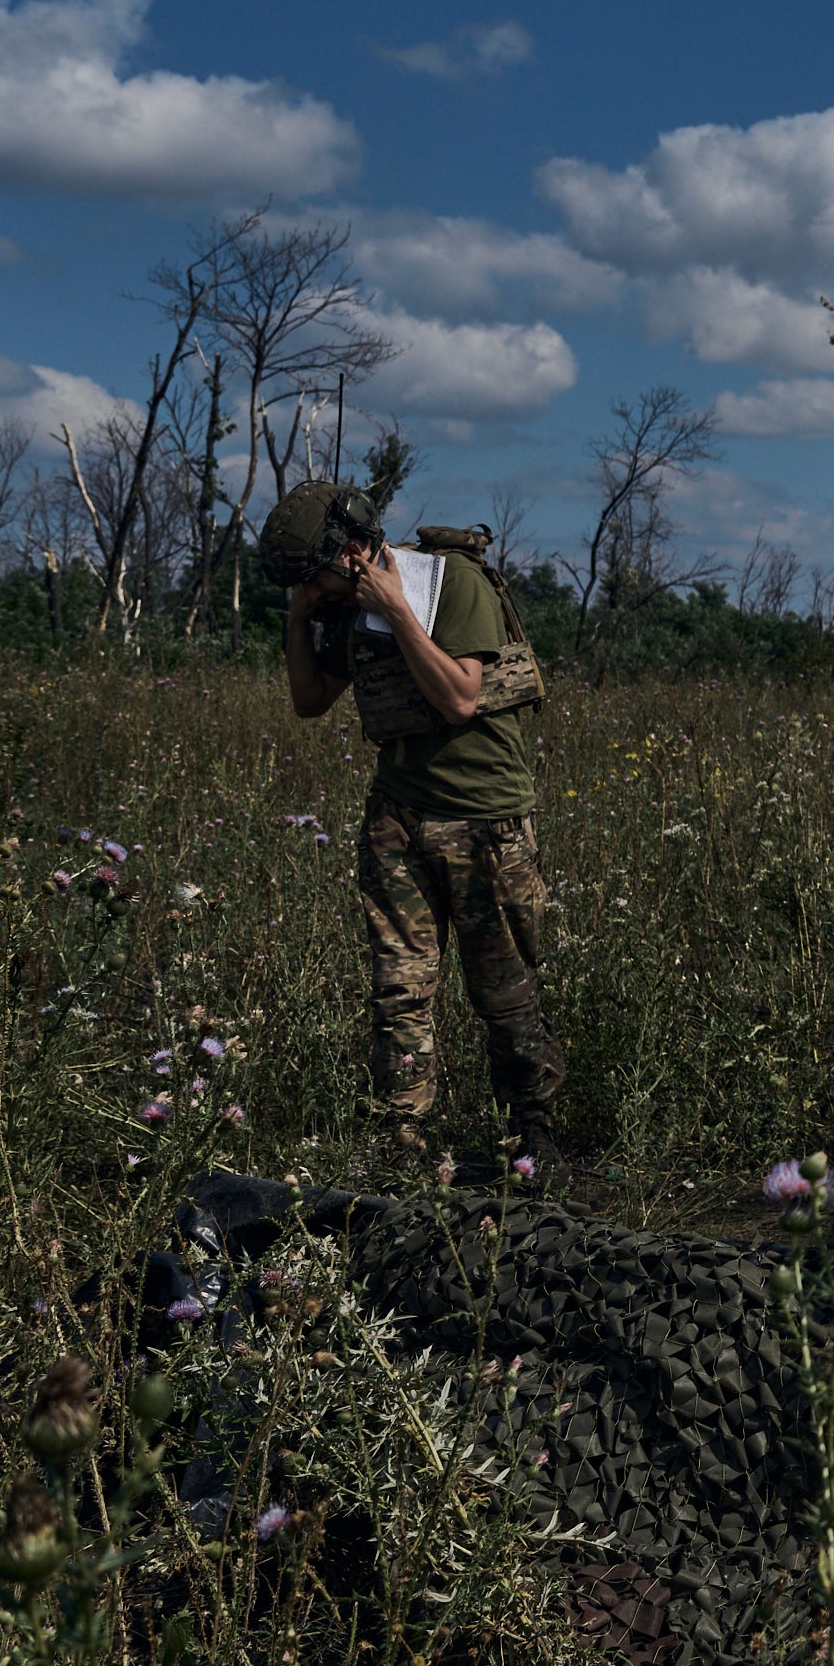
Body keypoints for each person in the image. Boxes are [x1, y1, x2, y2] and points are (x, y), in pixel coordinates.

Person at [260, 482, 566, 1184]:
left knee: (504, 988)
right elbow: (310, 703)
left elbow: (459, 697)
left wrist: (395, 610)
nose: (316, 589)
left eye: (317, 574)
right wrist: (299, 620)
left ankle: (533, 1132)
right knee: (399, 989)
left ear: (357, 549)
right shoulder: (340, 608)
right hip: (398, 818)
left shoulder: (447, 582)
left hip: (485, 819)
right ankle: (401, 1141)